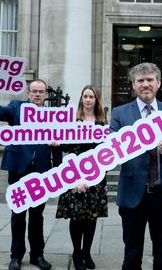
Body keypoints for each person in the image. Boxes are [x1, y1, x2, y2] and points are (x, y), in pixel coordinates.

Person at [110, 62, 162, 270]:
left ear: (159, 83)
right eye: (140, 81)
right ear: (133, 85)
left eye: (150, 80)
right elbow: (110, 150)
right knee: (132, 255)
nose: (145, 84)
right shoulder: (120, 113)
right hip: (132, 196)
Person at [0, 79, 61, 270]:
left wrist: (57, 170)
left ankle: (37, 255)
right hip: (18, 168)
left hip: (41, 170)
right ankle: (16, 256)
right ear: (28, 93)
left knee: (37, 215)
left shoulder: (52, 115)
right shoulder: (16, 107)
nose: (38, 94)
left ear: (47, 94)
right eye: (34, 91)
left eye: (41, 91)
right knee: (18, 213)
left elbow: (58, 143)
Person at [55, 85, 108, 270]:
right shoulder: (73, 121)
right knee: (77, 218)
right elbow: (67, 147)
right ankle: (77, 253)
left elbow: (107, 152)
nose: (88, 100)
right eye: (85, 96)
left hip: (96, 177)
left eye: (91, 97)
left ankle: (87, 252)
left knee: (91, 218)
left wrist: (96, 176)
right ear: (81, 99)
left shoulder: (102, 123)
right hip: (74, 177)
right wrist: (57, 143)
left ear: (96, 100)